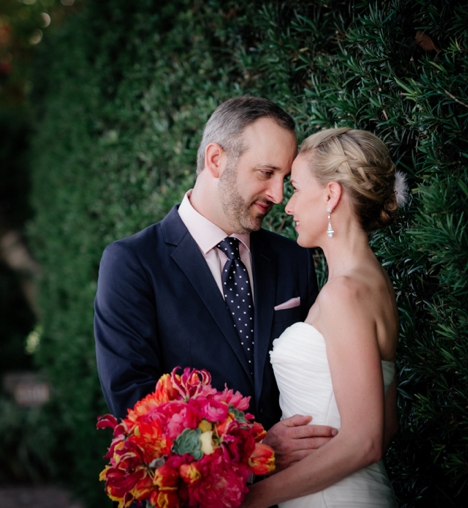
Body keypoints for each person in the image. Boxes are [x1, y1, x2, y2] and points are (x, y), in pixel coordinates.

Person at [94, 96, 345, 467]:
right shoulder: (133, 263)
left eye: (284, 178)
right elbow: (135, 404)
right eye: (265, 173)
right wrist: (253, 451)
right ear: (216, 160)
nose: (278, 195)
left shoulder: (293, 258)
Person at [241, 127, 404, 508]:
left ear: (331, 195)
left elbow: (366, 441)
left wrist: (252, 498)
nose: (288, 205)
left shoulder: (344, 294)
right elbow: (388, 423)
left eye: (296, 188)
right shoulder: (374, 285)